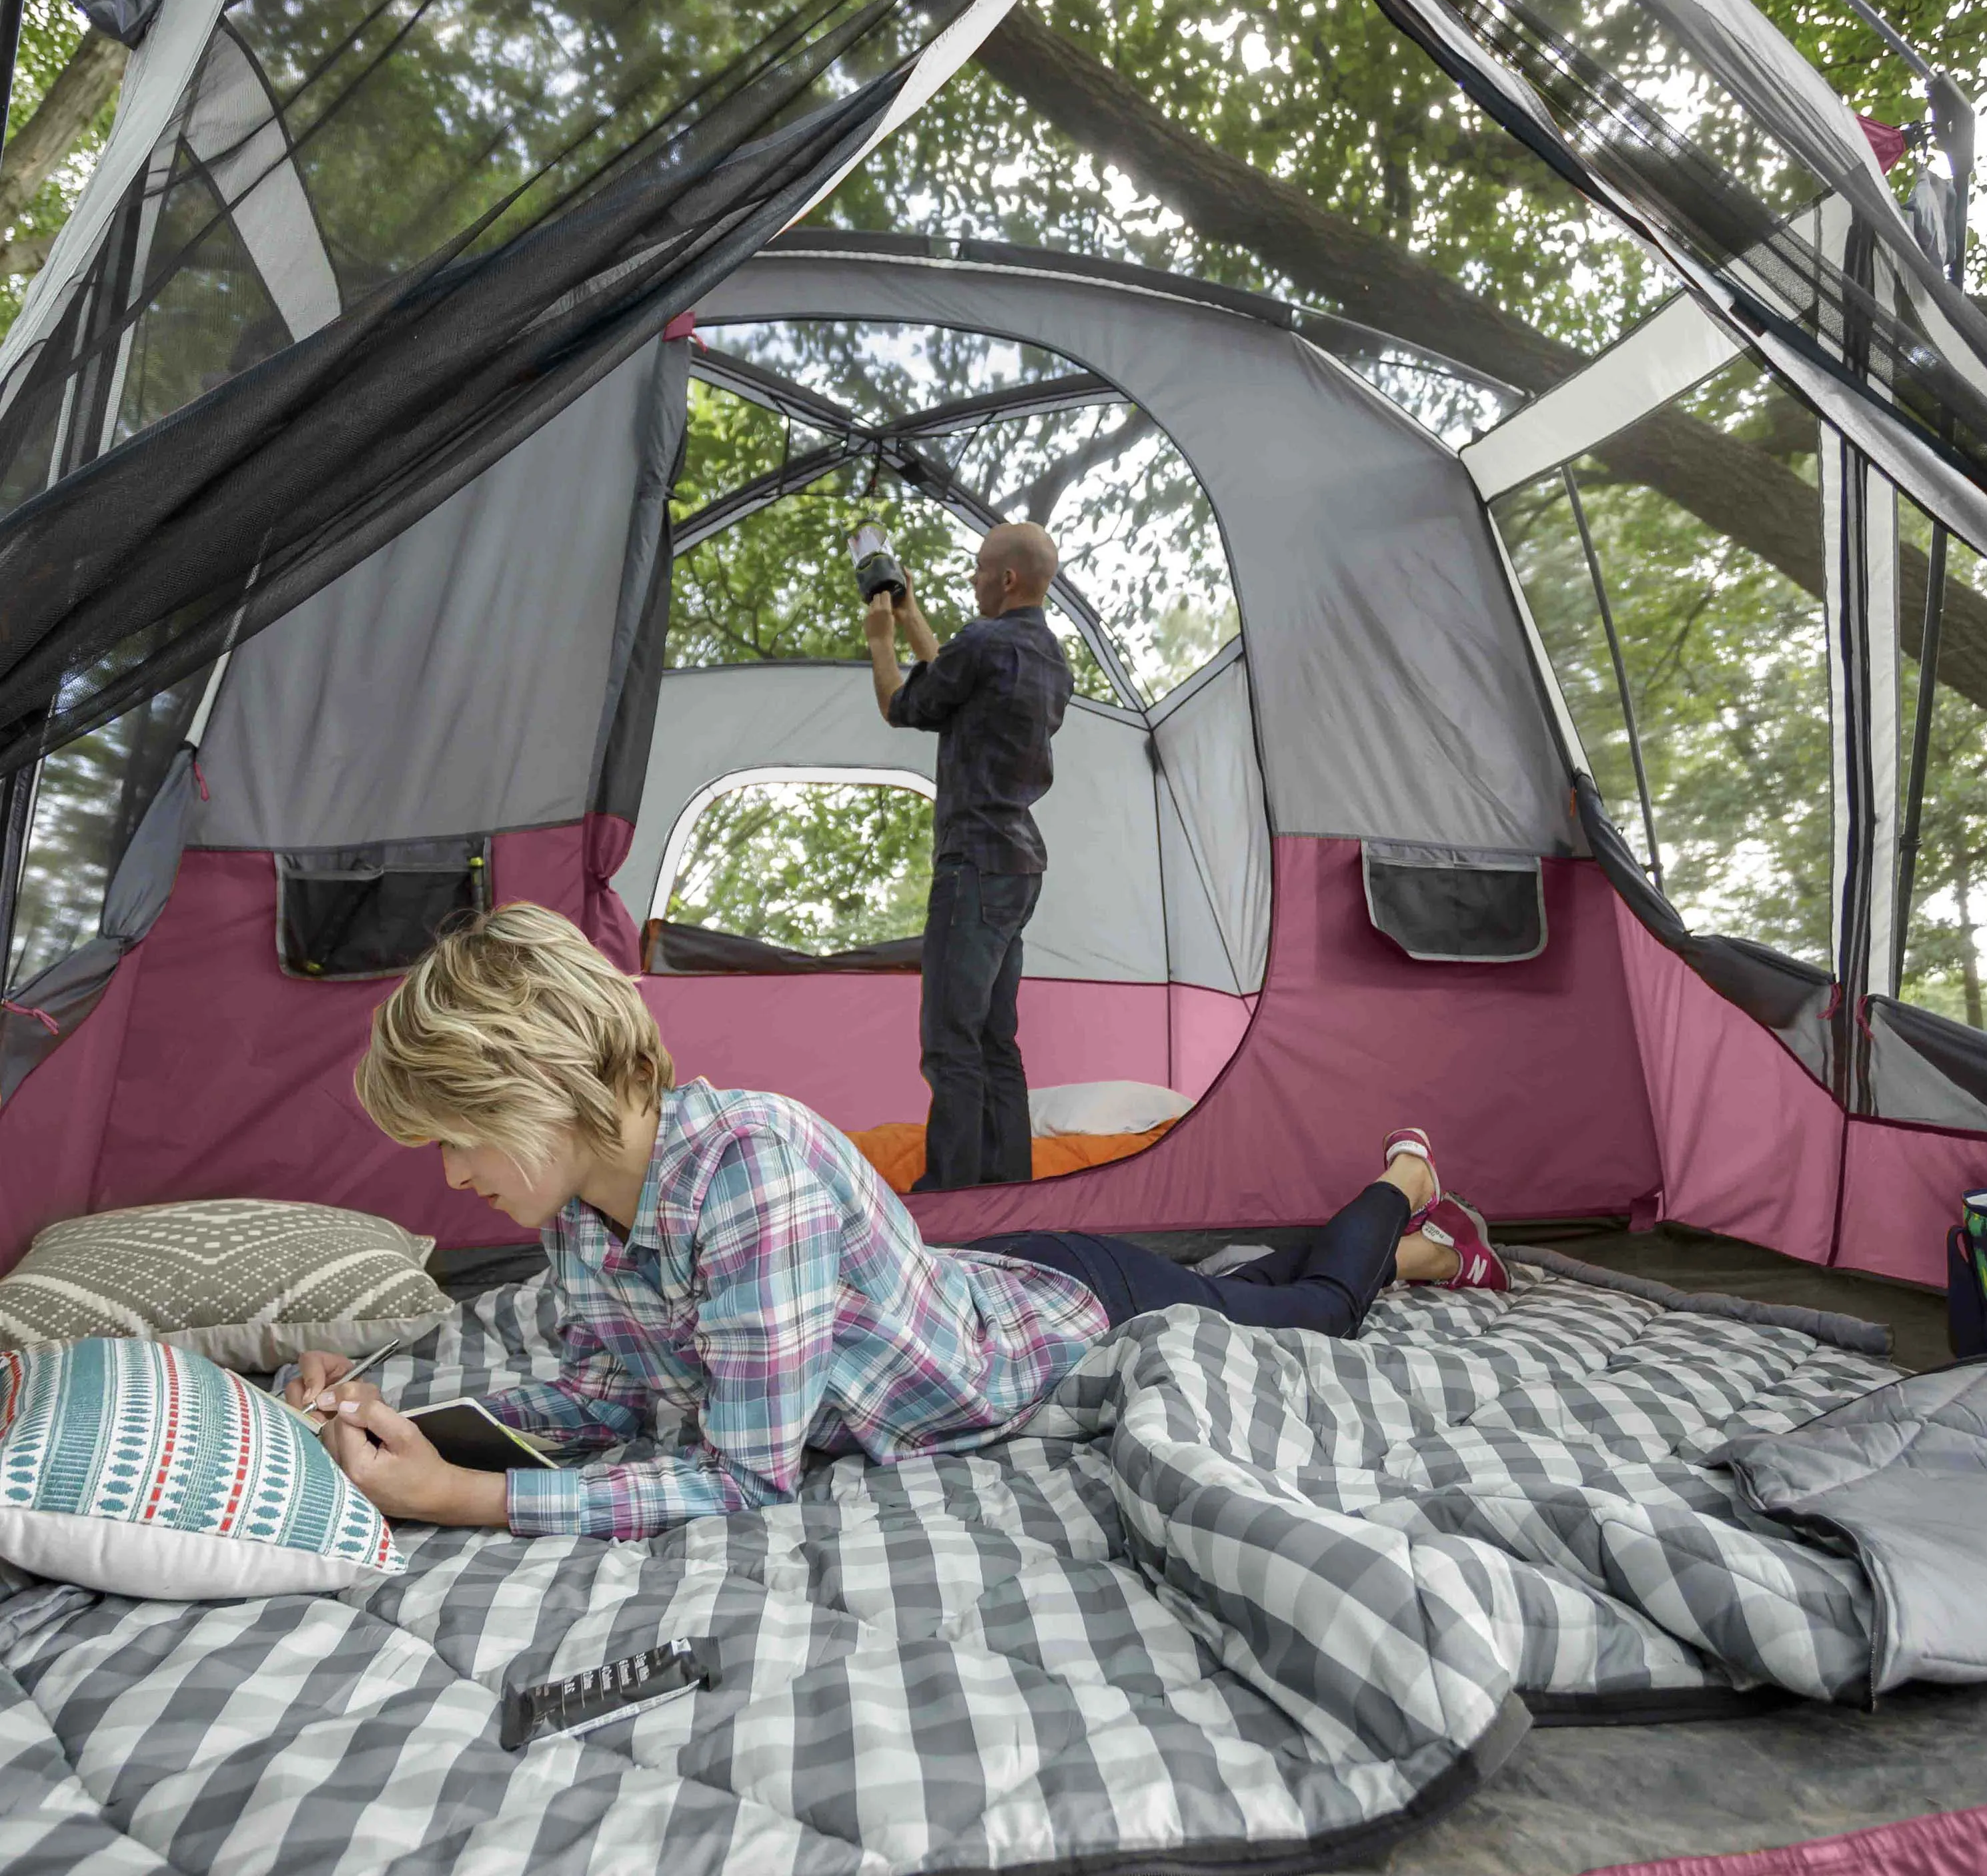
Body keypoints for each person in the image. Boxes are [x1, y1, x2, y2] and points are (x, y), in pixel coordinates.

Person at [288, 906, 1510, 1540]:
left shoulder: (750, 1174)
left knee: (1311, 1314)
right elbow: (613, 1397)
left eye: (461, 1132)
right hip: (988, 1280)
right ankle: (1404, 1252)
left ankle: (1401, 1196)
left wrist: (470, 1501)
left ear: (549, 1088)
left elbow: (743, 1473)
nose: (449, 1177)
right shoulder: (578, 1215)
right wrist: (429, 1431)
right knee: (1249, 1277)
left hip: (1072, 1316)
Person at [862, 521, 1070, 1191]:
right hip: (1019, 868)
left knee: (951, 1042)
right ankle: (1009, 1194)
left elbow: (904, 703)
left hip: (974, 866)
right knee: (994, 1042)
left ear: (1008, 578)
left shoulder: (983, 644)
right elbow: (958, 675)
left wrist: (882, 640)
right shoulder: (1048, 659)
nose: (973, 579)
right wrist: (916, 614)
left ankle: (950, 1197)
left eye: (981, 569)